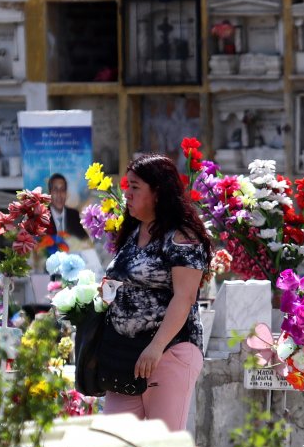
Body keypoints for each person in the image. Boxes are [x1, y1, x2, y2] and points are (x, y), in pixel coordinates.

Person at [101, 154, 212, 432]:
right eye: (127, 186)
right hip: (124, 356)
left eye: (135, 187)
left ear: (158, 192)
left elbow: (184, 298)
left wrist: (156, 347)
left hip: (167, 352)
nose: (126, 194)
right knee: (115, 446)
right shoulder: (132, 232)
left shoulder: (182, 237)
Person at [45, 173, 88, 252]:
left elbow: (84, 239)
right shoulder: (42, 216)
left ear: (66, 193)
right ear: (49, 193)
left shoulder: (73, 215)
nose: (59, 195)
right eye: (55, 190)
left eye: (62, 190)